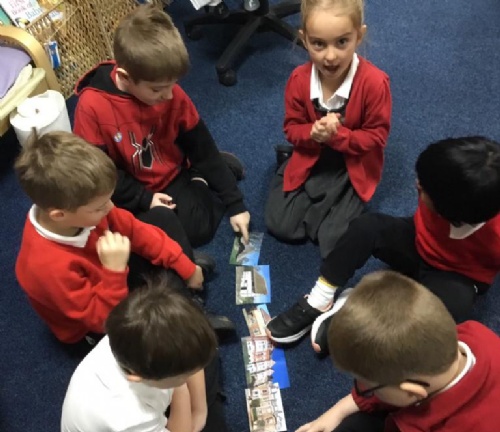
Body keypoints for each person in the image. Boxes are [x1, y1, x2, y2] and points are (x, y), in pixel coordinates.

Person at [267, 136, 500, 352]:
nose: (417, 184)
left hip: (457, 275)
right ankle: (320, 299)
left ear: (450, 213)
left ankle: (360, 311)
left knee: (443, 315)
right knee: (367, 226)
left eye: (423, 189)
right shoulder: (445, 183)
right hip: (418, 241)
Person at [292, 270, 500, 432]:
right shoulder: (474, 334)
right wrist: (340, 409)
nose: (360, 389)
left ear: (411, 391)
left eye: (366, 387)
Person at [14, 131, 233, 346]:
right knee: (152, 330)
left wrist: (184, 266)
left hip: (109, 267)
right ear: (59, 215)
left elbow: (135, 230)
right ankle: (185, 319)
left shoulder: (83, 211)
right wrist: (115, 271)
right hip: (97, 322)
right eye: (99, 207)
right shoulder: (46, 268)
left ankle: (180, 289)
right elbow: (103, 321)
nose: (110, 207)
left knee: (161, 216)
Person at [73, 5, 251, 248]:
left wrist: (235, 205)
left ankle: (202, 174)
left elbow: (202, 146)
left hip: (171, 174)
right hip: (127, 185)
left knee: (196, 230)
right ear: (125, 77)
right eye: (157, 89)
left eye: (172, 84)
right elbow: (98, 176)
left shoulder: (170, 93)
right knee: (129, 240)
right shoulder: (91, 106)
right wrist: (144, 198)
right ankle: (212, 173)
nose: (169, 96)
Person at [61, 281, 237, 432]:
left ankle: (202, 420)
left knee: (201, 354)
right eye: (181, 375)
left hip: (154, 402)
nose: (190, 374)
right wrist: (183, 390)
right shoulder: (124, 416)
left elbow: (194, 362)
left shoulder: (133, 337)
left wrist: (199, 411)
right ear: (138, 377)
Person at [265, 0, 391, 259]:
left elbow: (376, 136)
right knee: (280, 225)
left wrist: (338, 136)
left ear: (359, 36)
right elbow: (291, 128)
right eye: (318, 44)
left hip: (353, 163)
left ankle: (330, 205)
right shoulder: (299, 80)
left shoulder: (374, 83)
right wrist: (312, 133)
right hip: (312, 155)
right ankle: (307, 188)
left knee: (333, 242)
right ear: (304, 39)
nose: (330, 56)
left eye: (342, 42)